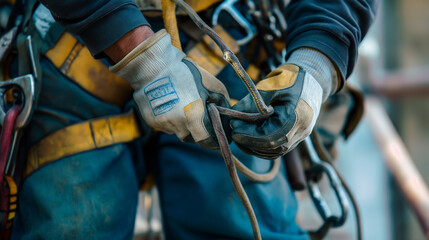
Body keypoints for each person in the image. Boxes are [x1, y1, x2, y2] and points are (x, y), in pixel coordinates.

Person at [7, 0, 377, 239]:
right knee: (73, 228)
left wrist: (315, 63)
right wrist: (140, 56)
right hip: (74, 31)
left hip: (227, 36)